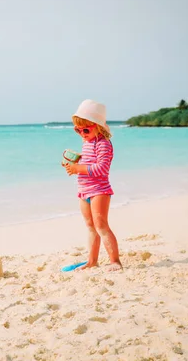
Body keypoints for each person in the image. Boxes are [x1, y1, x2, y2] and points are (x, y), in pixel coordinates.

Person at [62, 99, 122, 271]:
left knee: (101, 225)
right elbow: (90, 162)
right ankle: (92, 261)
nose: (82, 133)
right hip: (84, 190)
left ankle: (115, 261)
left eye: (86, 129)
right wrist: (77, 162)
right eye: (78, 130)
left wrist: (78, 168)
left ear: (99, 126)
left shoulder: (104, 144)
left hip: (99, 191)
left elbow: (102, 168)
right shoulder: (87, 142)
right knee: (90, 227)